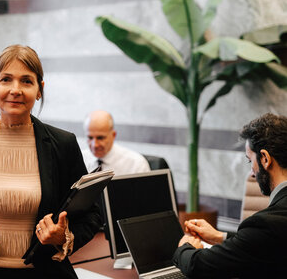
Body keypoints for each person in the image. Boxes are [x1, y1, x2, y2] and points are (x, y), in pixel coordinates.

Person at [0, 45, 101, 279]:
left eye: (26, 81)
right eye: (6, 79)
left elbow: (92, 215)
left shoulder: (63, 144)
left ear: (39, 90)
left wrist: (63, 236)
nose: (15, 90)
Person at [173, 113, 287, 278]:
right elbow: (267, 242)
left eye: (250, 161)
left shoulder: (267, 224)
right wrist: (221, 237)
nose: (252, 173)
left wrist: (184, 247)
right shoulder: (271, 229)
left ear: (265, 158)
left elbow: (197, 266)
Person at [82, 110, 150, 174]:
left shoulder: (136, 164)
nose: (95, 145)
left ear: (113, 135)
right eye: (90, 138)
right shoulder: (79, 160)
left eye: (100, 138)